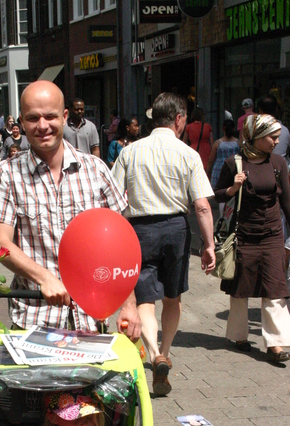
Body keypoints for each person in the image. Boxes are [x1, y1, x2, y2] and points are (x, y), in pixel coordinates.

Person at [0, 80, 140, 338]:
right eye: (33, 118)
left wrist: (129, 304)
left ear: (64, 117)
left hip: (91, 321)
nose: (42, 126)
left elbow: (121, 247)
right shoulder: (6, 174)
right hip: (34, 321)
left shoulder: (96, 170)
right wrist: (44, 277)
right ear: (21, 121)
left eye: (50, 116)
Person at [112, 92, 216, 396]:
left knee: (144, 297)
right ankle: (165, 353)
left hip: (139, 229)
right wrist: (208, 244)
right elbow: (202, 206)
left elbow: (114, 200)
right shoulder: (187, 154)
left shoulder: (129, 152)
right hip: (175, 228)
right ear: (179, 119)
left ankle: (153, 350)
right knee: (173, 296)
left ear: (151, 118)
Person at [214, 114, 290, 364]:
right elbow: (214, 194)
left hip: (272, 235)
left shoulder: (278, 163)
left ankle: (276, 344)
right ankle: (239, 335)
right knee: (241, 288)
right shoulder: (234, 163)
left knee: (276, 288)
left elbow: (287, 202)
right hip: (244, 235)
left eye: (278, 137)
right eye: (272, 137)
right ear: (255, 137)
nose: (277, 142)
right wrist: (232, 190)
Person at [206, 119, 239, 192]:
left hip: (219, 169)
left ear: (223, 129)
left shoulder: (217, 143)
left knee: (220, 190)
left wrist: (208, 172)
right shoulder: (238, 143)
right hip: (234, 168)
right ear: (233, 129)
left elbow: (211, 160)